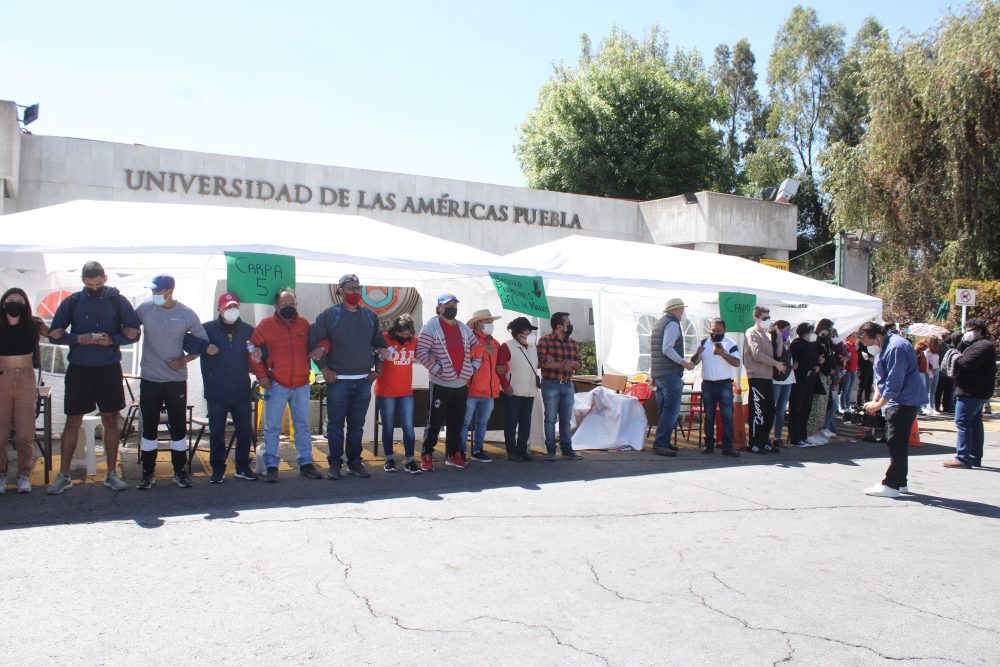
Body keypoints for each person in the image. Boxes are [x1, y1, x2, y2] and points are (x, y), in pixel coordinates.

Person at [46, 261, 140, 494]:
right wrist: (78, 338)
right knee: (72, 421)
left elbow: (134, 332)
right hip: (79, 369)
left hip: (108, 368)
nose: (94, 288)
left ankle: (111, 473)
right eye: (89, 285)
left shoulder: (118, 300)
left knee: (111, 420)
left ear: (105, 278)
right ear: (83, 281)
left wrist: (113, 339)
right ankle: (63, 475)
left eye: (98, 284)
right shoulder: (74, 301)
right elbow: (54, 333)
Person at [134, 274, 217, 490]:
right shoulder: (144, 309)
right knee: (149, 428)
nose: (154, 295)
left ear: (170, 290)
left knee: (178, 427)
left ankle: (180, 471)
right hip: (150, 378)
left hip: (175, 380)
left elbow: (203, 343)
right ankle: (147, 472)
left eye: (158, 291)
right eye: (152, 290)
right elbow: (128, 327)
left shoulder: (186, 314)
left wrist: (183, 361)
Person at [309, 274, 386, 480]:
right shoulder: (329, 315)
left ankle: (354, 463)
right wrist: (324, 370)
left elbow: (380, 345)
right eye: (351, 288)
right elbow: (314, 344)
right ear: (340, 291)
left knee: (356, 426)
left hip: (363, 382)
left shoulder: (370, 317)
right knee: (335, 425)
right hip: (338, 382)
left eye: (358, 288)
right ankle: (334, 464)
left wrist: (377, 369)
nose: (355, 292)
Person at [249, 288, 324, 483]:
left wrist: (321, 348)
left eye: (292, 304)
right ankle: (272, 466)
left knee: (303, 426)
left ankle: (306, 463)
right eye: (284, 305)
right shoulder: (265, 326)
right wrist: (262, 376)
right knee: (272, 428)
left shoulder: (305, 325)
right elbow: (252, 350)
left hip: (301, 384)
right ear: (276, 306)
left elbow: (322, 341)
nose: (289, 308)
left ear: (296, 305)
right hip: (276, 385)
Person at [190, 292, 257, 483]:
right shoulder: (207, 329)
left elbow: (260, 350)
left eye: (234, 306)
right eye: (228, 307)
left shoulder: (247, 330)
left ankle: (242, 467)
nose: (231, 310)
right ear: (219, 309)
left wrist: (258, 355)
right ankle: (217, 469)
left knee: (244, 430)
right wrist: (204, 347)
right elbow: (188, 342)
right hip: (216, 390)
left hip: (241, 389)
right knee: (217, 432)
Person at [415, 293, 481, 471]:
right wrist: (439, 370)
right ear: (439, 308)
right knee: (434, 421)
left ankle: (453, 455)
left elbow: (477, 348)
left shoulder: (463, 328)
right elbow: (420, 352)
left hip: (461, 384)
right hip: (440, 384)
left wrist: (472, 368)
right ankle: (427, 454)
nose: (452, 307)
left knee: (457, 421)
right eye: (448, 305)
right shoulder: (431, 327)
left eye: (454, 304)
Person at [859, 321, 925, 497]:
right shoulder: (886, 345)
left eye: (868, 342)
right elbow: (882, 375)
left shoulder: (896, 347)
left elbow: (894, 380)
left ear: (876, 336)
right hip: (897, 400)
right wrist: (875, 400)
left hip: (902, 401)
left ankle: (892, 484)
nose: (868, 347)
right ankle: (900, 482)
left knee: (896, 442)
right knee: (896, 442)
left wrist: (879, 404)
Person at [0, 288, 49, 494]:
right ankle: (1, 476)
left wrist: (41, 322)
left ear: (25, 304)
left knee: (25, 431)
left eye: (19, 300)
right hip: (2, 377)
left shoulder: (32, 324)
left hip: (26, 377)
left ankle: (23, 475)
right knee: (0, 432)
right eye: (11, 299)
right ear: (3, 303)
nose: (14, 302)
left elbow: (52, 334)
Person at [944, 319, 996, 469]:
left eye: (968, 329)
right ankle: (974, 457)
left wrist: (958, 350)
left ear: (977, 330)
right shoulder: (981, 345)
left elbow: (966, 362)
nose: (965, 333)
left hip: (971, 391)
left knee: (963, 422)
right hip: (974, 390)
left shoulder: (983, 346)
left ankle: (963, 458)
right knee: (974, 423)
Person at [374, 315, 419, 474]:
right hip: (386, 392)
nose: (405, 337)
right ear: (395, 331)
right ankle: (389, 459)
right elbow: (372, 349)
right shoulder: (385, 338)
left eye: (408, 334)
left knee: (408, 426)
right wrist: (379, 351)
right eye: (402, 334)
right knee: (388, 426)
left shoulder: (414, 341)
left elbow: (422, 354)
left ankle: (410, 460)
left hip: (406, 392)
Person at [537, 311, 585, 461]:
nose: (570, 325)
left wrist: (568, 363)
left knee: (566, 419)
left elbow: (580, 363)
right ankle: (551, 450)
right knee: (550, 419)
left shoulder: (573, 343)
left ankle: (567, 450)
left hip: (567, 385)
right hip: (550, 384)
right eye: (567, 324)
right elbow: (540, 362)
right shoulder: (544, 341)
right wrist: (562, 364)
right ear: (559, 326)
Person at [650, 298, 693, 457]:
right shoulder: (673, 324)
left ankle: (663, 441)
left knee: (664, 409)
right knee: (671, 410)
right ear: (676, 309)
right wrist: (684, 363)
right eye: (681, 308)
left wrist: (653, 373)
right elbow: (667, 349)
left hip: (660, 373)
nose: (683, 312)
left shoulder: (659, 323)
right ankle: (661, 443)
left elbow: (655, 352)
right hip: (669, 373)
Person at [690, 318, 740, 457]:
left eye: (719, 331)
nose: (715, 333)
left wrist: (722, 354)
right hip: (708, 384)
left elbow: (736, 363)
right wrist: (698, 353)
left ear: (724, 330)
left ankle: (728, 447)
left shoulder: (730, 343)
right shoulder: (703, 343)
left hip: (724, 384)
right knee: (709, 415)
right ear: (709, 330)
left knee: (727, 416)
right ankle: (709, 445)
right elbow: (693, 362)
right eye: (713, 330)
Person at [461, 309, 505, 463]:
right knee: (465, 422)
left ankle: (477, 450)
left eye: (491, 321)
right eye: (487, 321)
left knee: (482, 423)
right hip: (471, 390)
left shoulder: (495, 342)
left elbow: (501, 364)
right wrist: (482, 348)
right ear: (478, 323)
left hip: (489, 391)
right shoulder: (469, 338)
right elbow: (464, 354)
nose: (491, 324)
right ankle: (460, 452)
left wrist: (504, 368)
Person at [743, 306, 786, 454]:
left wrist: (779, 335)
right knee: (758, 411)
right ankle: (754, 442)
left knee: (770, 411)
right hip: (756, 376)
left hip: (768, 377)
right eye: (765, 318)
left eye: (769, 318)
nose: (768, 321)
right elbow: (756, 354)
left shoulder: (768, 335)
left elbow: (778, 353)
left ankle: (764, 440)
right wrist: (775, 364)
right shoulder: (751, 332)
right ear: (756, 318)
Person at [500, 317, 539, 462]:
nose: (531, 335)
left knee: (525, 422)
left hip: (530, 391)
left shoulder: (532, 347)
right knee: (511, 422)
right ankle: (512, 451)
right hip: (513, 391)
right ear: (519, 334)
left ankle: (522, 450)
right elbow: (500, 369)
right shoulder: (507, 346)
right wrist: (506, 386)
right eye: (528, 331)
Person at [788, 322, 819, 447]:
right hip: (799, 380)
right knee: (796, 409)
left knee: (806, 408)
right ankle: (795, 438)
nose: (812, 334)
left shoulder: (810, 345)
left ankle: (803, 435)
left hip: (810, 380)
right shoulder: (796, 344)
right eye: (810, 331)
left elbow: (814, 359)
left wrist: (816, 365)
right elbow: (794, 362)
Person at [770, 320, 795, 447]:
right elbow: (778, 354)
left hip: (788, 379)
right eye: (785, 329)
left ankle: (777, 437)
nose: (788, 332)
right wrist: (779, 336)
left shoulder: (787, 342)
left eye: (789, 330)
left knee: (781, 410)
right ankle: (767, 435)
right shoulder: (774, 341)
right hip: (776, 380)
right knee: (771, 408)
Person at [937, 332, 961, 413]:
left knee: (948, 390)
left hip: (950, 373)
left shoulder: (954, 346)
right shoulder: (940, 346)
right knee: (939, 390)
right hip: (941, 372)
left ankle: (947, 407)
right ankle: (936, 406)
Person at [839, 333, 859, 412]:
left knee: (849, 390)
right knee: (845, 390)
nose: (855, 338)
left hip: (853, 371)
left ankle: (847, 406)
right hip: (847, 370)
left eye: (855, 336)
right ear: (848, 337)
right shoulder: (846, 346)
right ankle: (842, 407)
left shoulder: (853, 346)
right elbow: (845, 358)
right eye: (853, 336)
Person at [855, 335, 876, 406]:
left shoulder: (870, 342)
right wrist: (867, 357)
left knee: (869, 386)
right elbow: (858, 352)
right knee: (862, 386)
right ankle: (858, 404)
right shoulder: (860, 342)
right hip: (862, 367)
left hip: (870, 367)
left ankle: (867, 402)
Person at [923, 337, 941, 416]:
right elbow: (926, 363)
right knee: (927, 390)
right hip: (930, 371)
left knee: (933, 391)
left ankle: (932, 407)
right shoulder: (927, 352)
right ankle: (926, 407)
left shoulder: (936, 351)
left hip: (936, 370)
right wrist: (929, 372)